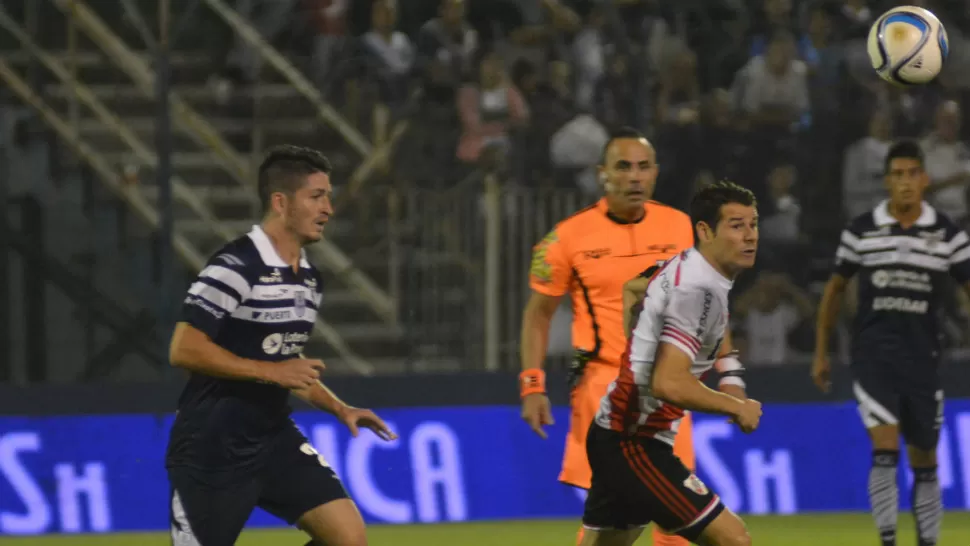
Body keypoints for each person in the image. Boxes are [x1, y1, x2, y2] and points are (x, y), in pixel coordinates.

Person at [165, 145, 396, 546]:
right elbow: (184, 349)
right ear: (280, 202)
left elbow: (287, 363)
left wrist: (341, 408)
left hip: (272, 437)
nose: (328, 208)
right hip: (211, 447)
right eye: (317, 196)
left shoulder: (308, 278)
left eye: (328, 197)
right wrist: (271, 372)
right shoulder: (235, 265)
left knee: (348, 537)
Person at [519, 127, 696, 546]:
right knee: (625, 513)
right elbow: (537, 315)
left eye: (642, 167)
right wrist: (532, 384)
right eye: (622, 167)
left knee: (678, 523)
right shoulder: (567, 237)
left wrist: (727, 372)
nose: (634, 177)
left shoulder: (682, 227)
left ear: (655, 173)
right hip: (605, 390)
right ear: (602, 175)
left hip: (668, 391)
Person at [581, 181, 762, 546]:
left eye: (754, 224)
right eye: (736, 225)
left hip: (614, 430)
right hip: (635, 443)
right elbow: (668, 383)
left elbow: (633, 289)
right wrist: (736, 405)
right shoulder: (697, 291)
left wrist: (639, 350)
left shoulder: (686, 268)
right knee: (735, 541)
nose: (750, 236)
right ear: (705, 230)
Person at [813, 140, 970, 546]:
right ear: (886, 182)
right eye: (896, 175)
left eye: (911, 174)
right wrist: (821, 352)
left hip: (924, 358)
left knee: (926, 458)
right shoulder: (862, 231)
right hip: (874, 355)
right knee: (885, 448)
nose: (904, 182)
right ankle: (887, 540)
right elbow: (834, 290)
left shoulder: (948, 233)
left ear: (924, 179)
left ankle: (927, 541)